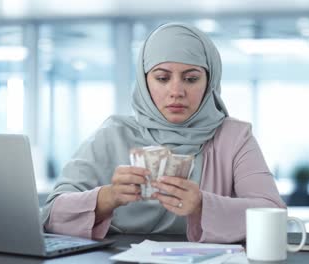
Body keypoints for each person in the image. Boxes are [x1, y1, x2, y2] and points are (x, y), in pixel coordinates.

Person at [41, 23, 286, 243]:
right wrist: (109, 197)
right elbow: (50, 214)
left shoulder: (234, 137)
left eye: (191, 79)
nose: (176, 91)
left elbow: (273, 213)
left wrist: (202, 205)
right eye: (162, 78)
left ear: (209, 83)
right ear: (145, 81)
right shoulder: (113, 134)